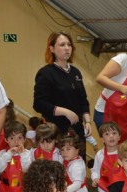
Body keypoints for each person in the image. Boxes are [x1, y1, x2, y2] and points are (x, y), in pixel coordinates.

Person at [33, 31, 92, 160]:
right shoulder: (45, 73)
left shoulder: (76, 72)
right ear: (52, 48)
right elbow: (39, 104)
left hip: (77, 131)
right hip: (57, 131)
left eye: (69, 45)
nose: (67, 48)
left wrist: (87, 121)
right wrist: (65, 112)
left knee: (78, 167)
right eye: (62, 45)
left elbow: (83, 100)